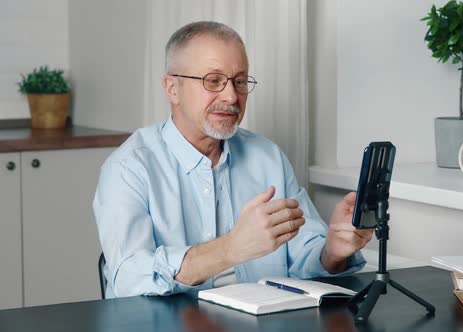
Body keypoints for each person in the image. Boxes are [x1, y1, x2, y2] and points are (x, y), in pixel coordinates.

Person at [94, 21, 373, 298]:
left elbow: (304, 259)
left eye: (239, 82)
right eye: (213, 80)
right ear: (172, 88)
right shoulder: (128, 168)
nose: (231, 96)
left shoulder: (267, 157)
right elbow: (128, 278)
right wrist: (231, 249)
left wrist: (333, 251)